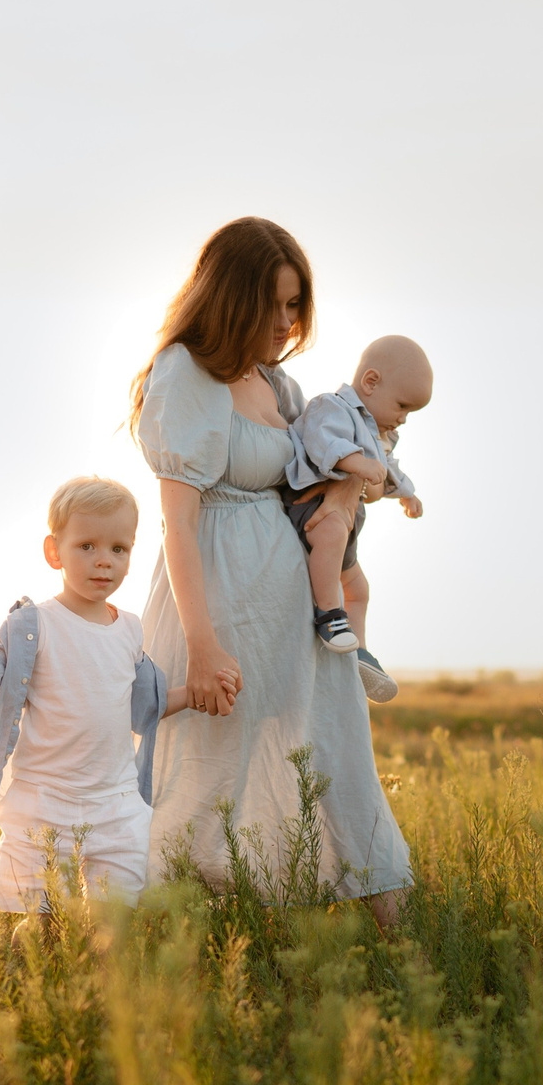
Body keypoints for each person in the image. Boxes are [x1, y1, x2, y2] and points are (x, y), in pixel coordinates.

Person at [130, 219, 412, 926]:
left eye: (295, 306)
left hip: (292, 614)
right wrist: (201, 646)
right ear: (232, 297)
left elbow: (310, 482)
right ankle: (185, 929)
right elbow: (179, 524)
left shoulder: (277, 384)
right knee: (207, 774)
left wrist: (353, 488)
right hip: (221, 605)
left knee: (331, 754)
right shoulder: (186, 373)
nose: (287, 323)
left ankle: (387, 929)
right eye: (273, 304)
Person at [0, 476, 182, 913]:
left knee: (113, 923)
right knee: (38, 923)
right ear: (54, 551)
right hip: (44, 800)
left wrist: (194, 694)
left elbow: (144, 707)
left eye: (119, 549)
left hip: (116, 803)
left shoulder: (129, 628)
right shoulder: (32, 624)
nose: (104, 561)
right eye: (87, 546)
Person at [283, 334, 432, 698]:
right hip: (313, 507)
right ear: (370, 381)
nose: (403, 419)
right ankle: (329, 616)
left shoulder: (379, 433)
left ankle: (359, 654)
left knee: (360, 589)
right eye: (402, 406)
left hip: (347, 520)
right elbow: (324, 442)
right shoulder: (332, 407)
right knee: (332, 533)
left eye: (410, 413)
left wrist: (406, 493)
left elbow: (388, 468)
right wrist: (358, 464)